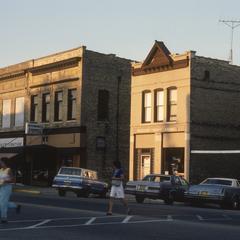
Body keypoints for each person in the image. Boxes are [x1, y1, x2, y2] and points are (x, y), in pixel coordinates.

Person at [0, 158, 21, 223]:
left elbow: (13, 180)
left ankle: (4, 218)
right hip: (1, 187)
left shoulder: (8, 170)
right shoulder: (0, 170)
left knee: (2, 203)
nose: (0, 163)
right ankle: (16, 206)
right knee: (2, 203)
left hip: (7, 188)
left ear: (5, 162)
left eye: (1, 162)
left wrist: (5, 181)